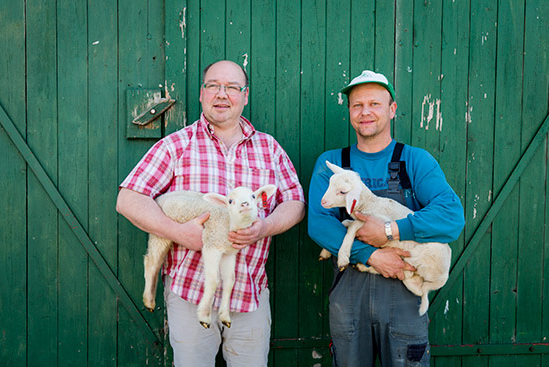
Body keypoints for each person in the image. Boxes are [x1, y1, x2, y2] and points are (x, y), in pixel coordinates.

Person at [116, 60, 305, 367]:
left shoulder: (269, 148)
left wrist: (264, 227)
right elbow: (128, 199)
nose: (222, 94)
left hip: (249, 293)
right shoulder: (176, 146)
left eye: (232, 87)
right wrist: (177, 232)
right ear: (202, 94)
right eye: (214, 86)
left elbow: (295, 203)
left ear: (245, 96)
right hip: (190, 293)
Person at [307, 70, 465, 366]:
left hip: (405, 289)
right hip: (350, 293)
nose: (365, 112)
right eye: (357, 105)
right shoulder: (333, 164)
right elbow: (319, 222)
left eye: (375, 104)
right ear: (350, 112)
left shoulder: (414, 160)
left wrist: (391, 230)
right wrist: (372, 256)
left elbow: (451, 217)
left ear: (392, 110)